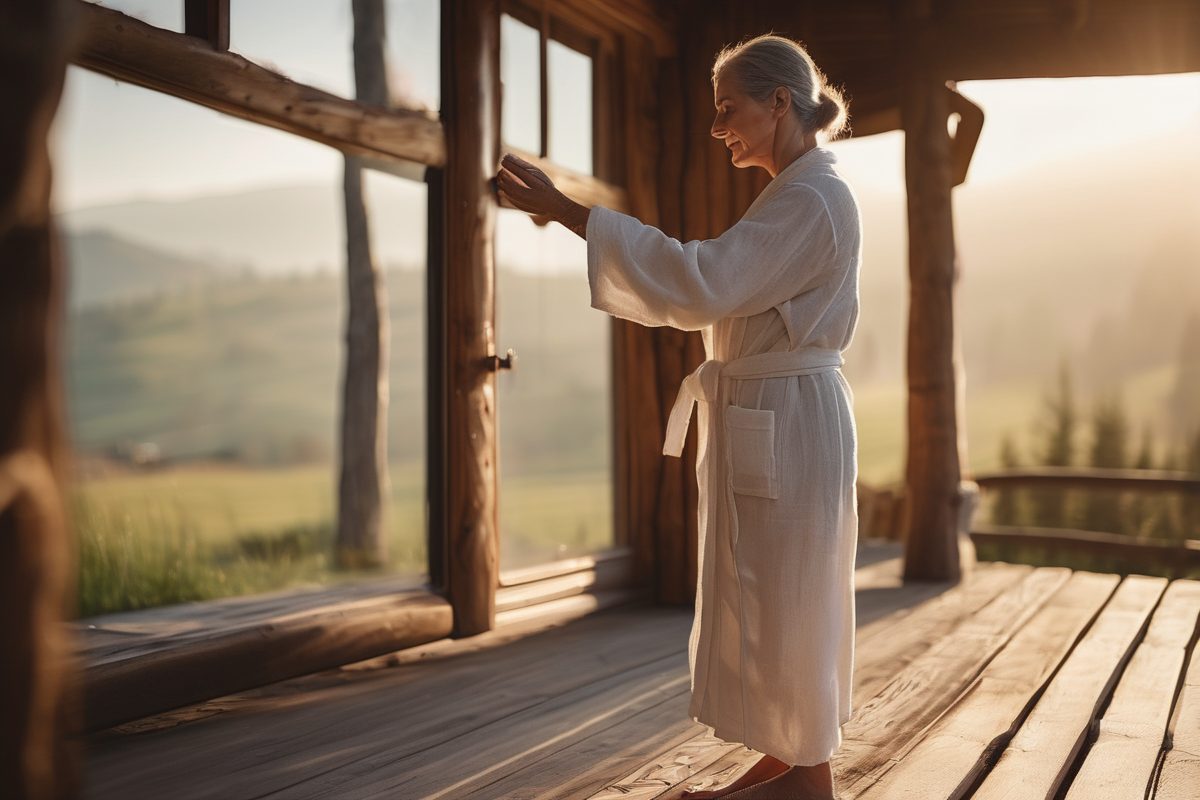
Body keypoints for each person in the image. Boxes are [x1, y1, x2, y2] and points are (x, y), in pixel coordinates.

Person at [496, 32, 860, 800]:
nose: (718, 127)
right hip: (779, 410)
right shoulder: (799, 192)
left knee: (787, 597)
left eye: (729, 109)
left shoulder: (812, 198)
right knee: (773, 590)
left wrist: (569, 213)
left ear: (779, 102)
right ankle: (789, 763)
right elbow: (717, 285)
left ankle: (808, 782)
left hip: (789, 416)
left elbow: (703, 280)